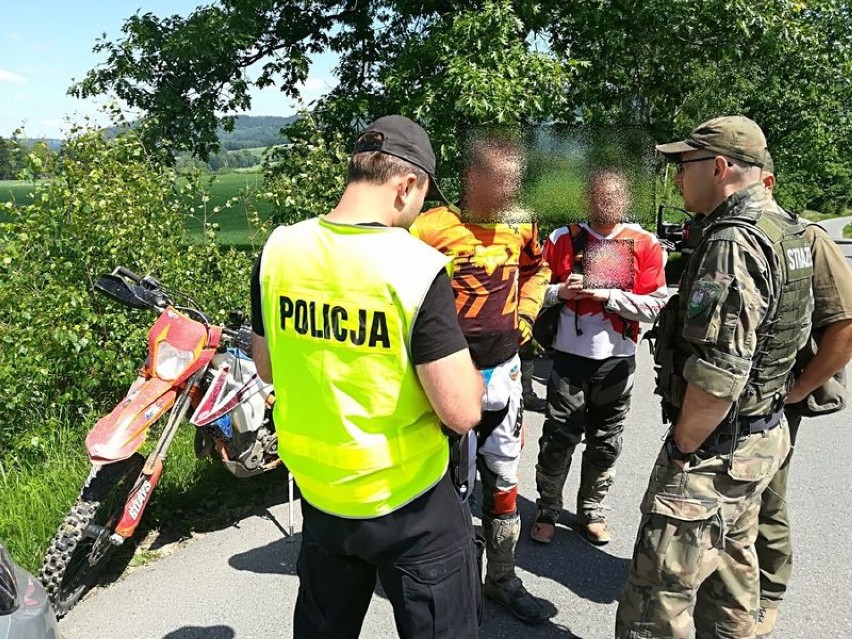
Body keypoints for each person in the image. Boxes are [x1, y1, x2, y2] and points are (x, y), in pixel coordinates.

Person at [250, 115, 485, 639]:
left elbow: (267, 365)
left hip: (322, 498)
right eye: (423, 196)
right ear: (406, 185)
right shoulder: (415, 266)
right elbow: (462, 411)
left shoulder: (279, 250)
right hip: (409, 503)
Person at [615, 115, 814, 639]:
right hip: (758, 435)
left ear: (720, 167)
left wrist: (683, 447)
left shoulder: (734, 240)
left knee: (655, 599)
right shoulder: (789, 230)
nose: (678, 178)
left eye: (684, 165)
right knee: (731, 578)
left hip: (715, 448)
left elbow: (720, 369)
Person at [410, 133, 552, 624]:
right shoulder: (428, 229)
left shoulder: (523, 223)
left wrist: (527, 318)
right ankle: (459, 583)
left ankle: (502, 579)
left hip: (505, 374)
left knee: (504, 480)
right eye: (501, 180)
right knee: (450, 488)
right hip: (446, 379)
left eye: (517, 181)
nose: (511, 191)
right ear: (472, 178)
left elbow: (540, 269)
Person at [530, 168, 668, 546]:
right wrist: (562, 293)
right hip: (569, 360)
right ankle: (547, 509)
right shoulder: (562, 239)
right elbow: (528, 292)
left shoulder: (645, 243)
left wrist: (606, 296)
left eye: (614, 196)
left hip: (617, 362)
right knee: (558, 438)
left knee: (606, 441)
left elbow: (657, 307)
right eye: (597, 196)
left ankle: (591, 510)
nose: (605, 204)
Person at [754, 154, 852, 638]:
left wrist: (802, 389)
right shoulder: (725, 232)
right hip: (726, 395)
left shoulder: (808, 238)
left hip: (776, 397)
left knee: (767, 495)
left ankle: (768, 592)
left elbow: (844, 326)